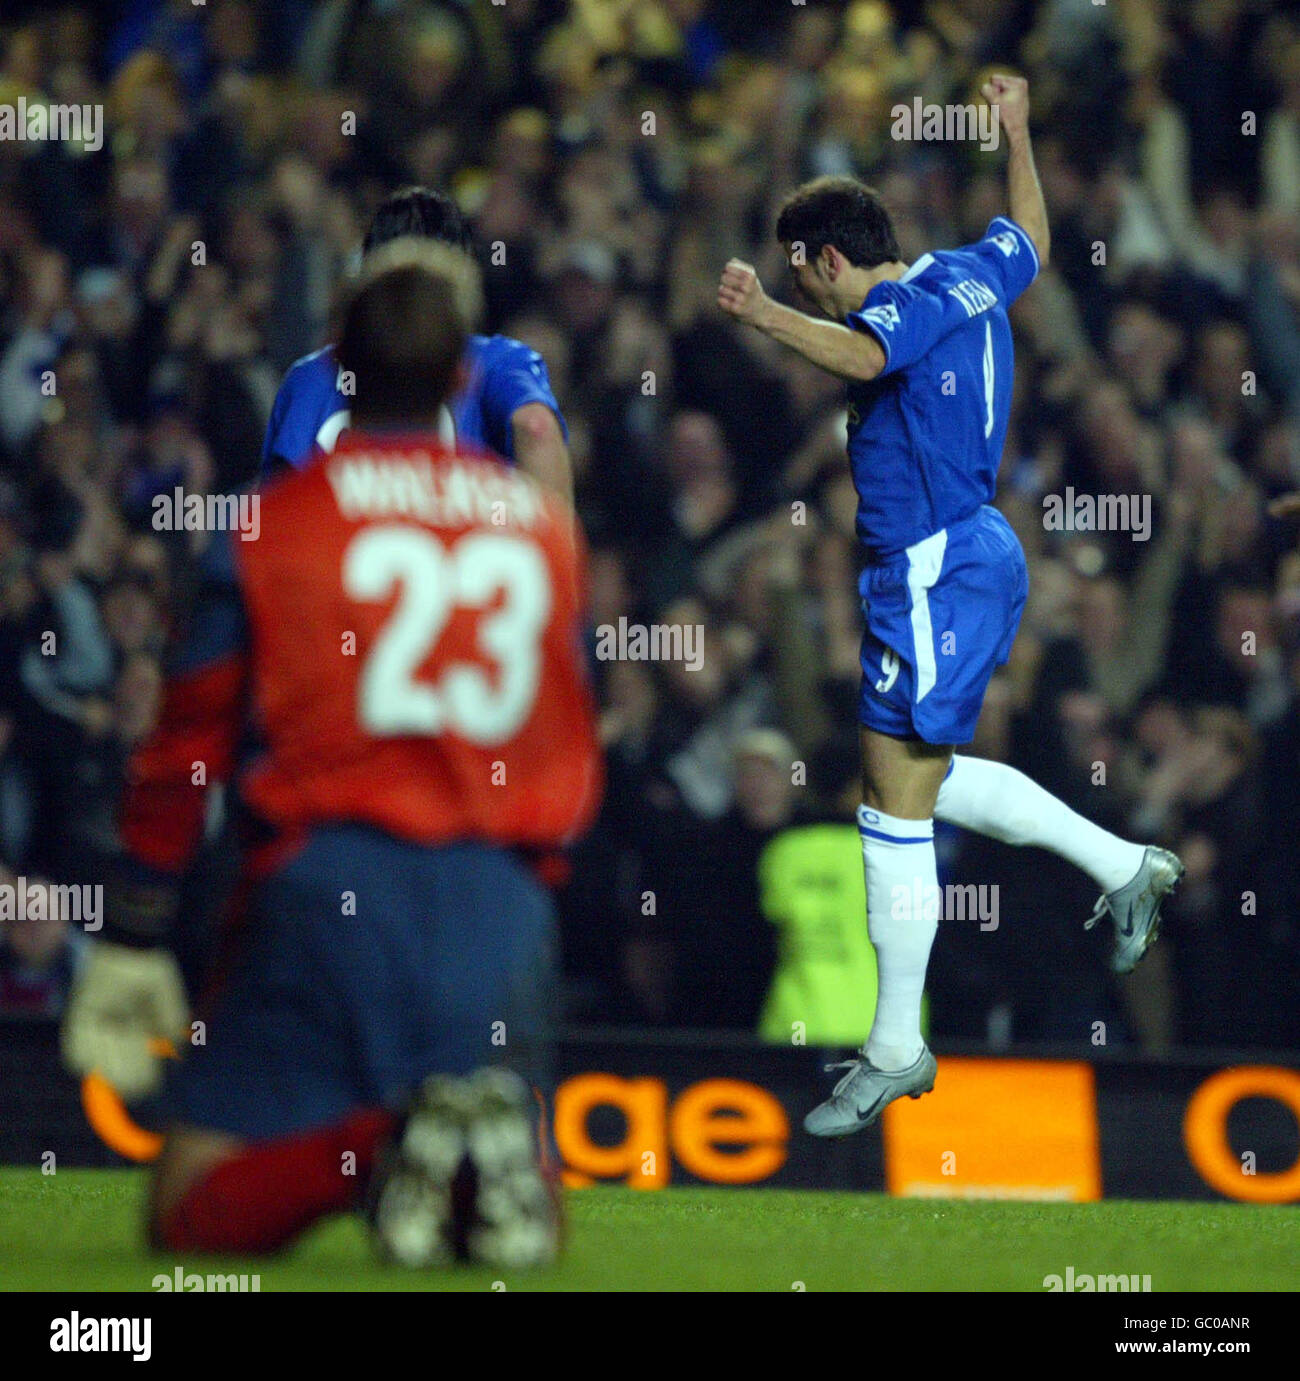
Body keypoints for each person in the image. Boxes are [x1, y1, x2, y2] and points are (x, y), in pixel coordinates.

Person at [61, 240, 602, 1266]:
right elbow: (566, 736)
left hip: (329, 883)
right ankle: (453, 1134)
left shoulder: (272, 527)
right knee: (513, 1228)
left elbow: (186, 747)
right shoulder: (541, 533)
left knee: (187, 1214)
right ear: (461, 377)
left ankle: (383, 1141)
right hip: (499, 895)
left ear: (337, 371)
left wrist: (134, 920)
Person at [717, 74, 1182, 1138]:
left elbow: (862, 350)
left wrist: (763, 314)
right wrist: (1017, 129)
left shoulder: (895, 307)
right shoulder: (973, 271)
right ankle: (1123, 867)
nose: (817, 292)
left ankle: (894, 1047)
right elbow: (1031, 231)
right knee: (909, 779)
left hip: (932, 564)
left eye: (809, 275)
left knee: (892, 801)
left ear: (826, 259)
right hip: (964, 553)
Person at [263, 186, 573, 504]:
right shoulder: (495, 360)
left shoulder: (313, 373)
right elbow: (535, 429)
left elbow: (283, 495)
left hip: (335, 548)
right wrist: (549, 548)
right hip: (461, 546)